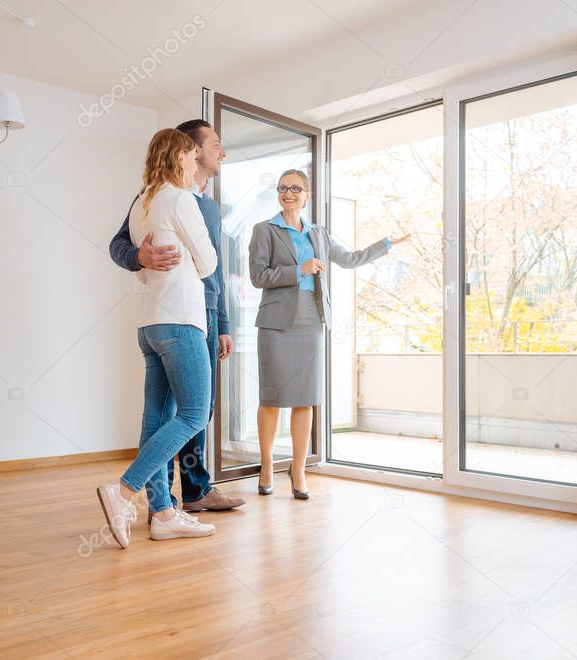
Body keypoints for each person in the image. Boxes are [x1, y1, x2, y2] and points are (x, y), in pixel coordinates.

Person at [108, 119, 244, 516]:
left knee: (174, 412)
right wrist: (138, 257)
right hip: (182, 313)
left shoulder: (199, 204)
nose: (222, 151)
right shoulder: (164, 198)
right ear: (192, 151)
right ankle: (139, 493)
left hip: (184, 316)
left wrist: (223, 324)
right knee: (192, 412)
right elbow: (119, 245)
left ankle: (179, 499)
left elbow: (217, 274)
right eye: (215, 144)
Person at [248, 169, 409, 498]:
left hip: (311, 317)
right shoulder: (263, 230)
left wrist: (387, 243)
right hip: (276, 321)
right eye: (283, 188)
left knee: (305, 398)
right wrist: (299, 270)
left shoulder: (318, 234)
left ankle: (297, 469)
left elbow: (350, 259)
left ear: (307, 195)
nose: (288, 193)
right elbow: (257, 276)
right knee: (272, 398)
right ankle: (266, 465)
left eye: (296, 188)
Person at [97, 128, 220, 547]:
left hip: (150, 324)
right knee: (192, 414)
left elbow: (133, 252)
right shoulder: (180, 198)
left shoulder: (143, 203)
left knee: (157, 417)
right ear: (180, 157)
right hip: (182, 319)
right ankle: (125, 490)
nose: (193, 163)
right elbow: (208, 262)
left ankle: (164, 513)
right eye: (190, 156)